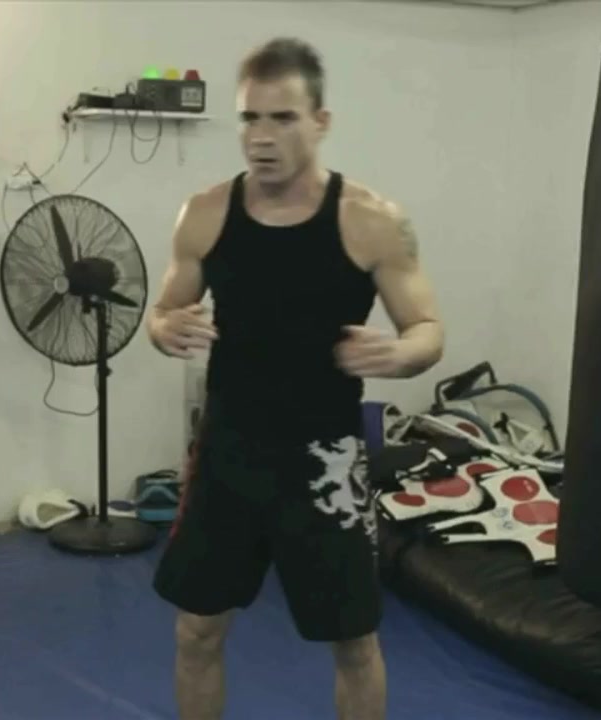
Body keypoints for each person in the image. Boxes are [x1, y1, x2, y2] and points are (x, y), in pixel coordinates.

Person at [147, 37, 445, 720]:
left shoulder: (371, 221)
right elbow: (162, 312)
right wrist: (164, 329)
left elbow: (428, 327)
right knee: (196, 632)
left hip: (324, 462)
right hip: (228, 454)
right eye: (250, 118)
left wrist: (402, 355)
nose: (261, 137)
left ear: (321, 121)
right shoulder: (205, 214)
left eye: (282, 118)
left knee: (354, 645)